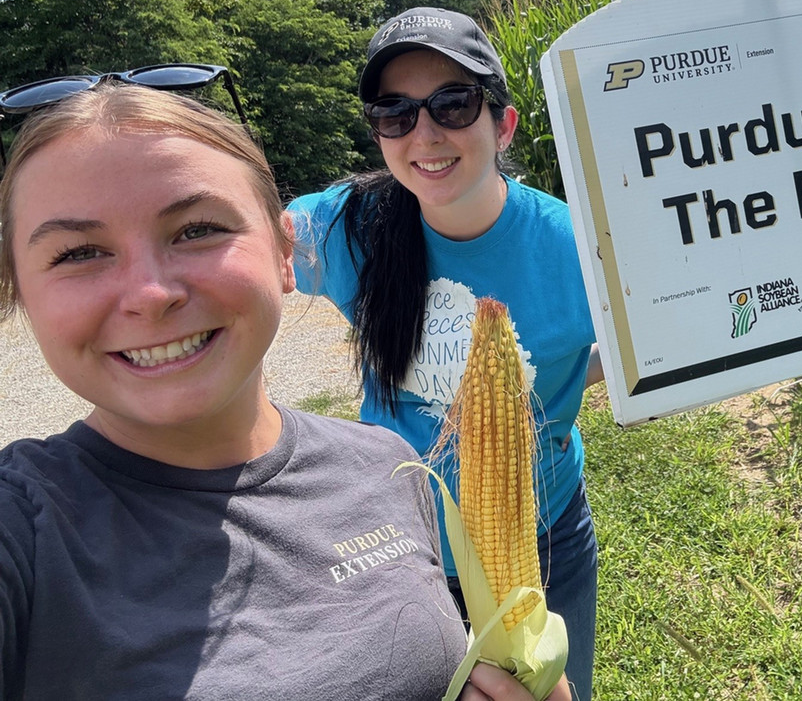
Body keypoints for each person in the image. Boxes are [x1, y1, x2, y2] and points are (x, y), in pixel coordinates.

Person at [0, 82, 569, 701]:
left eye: (196, 230)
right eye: (80, 252)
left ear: (284, 253)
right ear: (20, 292)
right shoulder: (26, 530)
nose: (149, 293)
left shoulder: (388, 465)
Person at [288, 8, 600, 701]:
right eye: (394, 113)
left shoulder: (576, 245)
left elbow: (627, 348)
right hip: (403, 551)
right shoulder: (352, 227)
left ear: (503, 123)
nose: (423, 134)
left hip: (544, 541)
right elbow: (240, 244)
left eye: (453, 104)